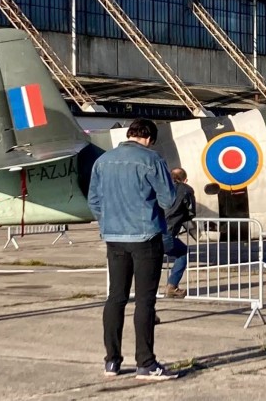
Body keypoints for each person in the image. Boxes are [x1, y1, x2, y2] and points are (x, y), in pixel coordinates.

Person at [88, 118, 179, 381]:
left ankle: (112, 361)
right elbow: (168, 199)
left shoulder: (102, 161)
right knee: (144, 301)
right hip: (145, 235)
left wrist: (108, 221)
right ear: (149, 138)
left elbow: (94, 200)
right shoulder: (152, 160)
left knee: (116, 297)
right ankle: (146, 363)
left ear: (129, 134)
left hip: (114, 237)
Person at [162, 167, 196, 298]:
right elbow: (191, 212)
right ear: (185, 180)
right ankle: (172, 286)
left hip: (148, 230)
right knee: (183, 253)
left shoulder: (161, 187)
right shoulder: (186, 189)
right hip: (166, 233)